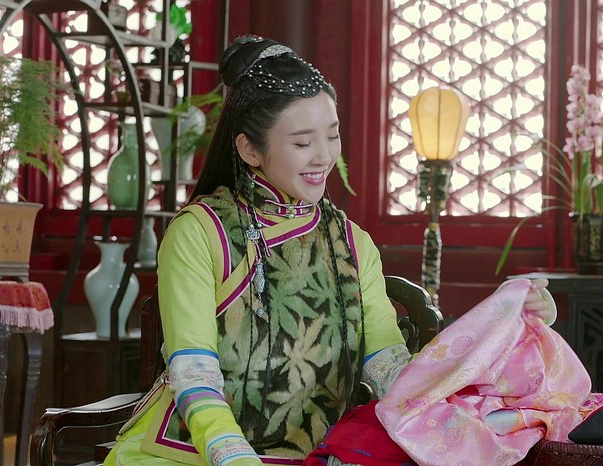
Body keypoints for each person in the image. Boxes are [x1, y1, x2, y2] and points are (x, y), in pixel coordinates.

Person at [104, 35, 554, 466]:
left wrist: (503, 323)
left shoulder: (353, 244)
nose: (324, 157)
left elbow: (393, 374)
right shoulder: (200, 233)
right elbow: (194, 373)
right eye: (303, 143)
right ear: (249, 149)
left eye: (332, 136)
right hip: (192, 451)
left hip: (321, 456)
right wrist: (234, 457)